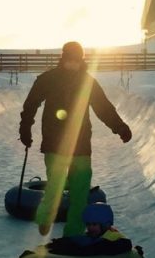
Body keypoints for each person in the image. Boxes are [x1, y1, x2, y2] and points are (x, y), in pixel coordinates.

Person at [18, 41, 132, 237]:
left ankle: (73, 234)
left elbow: (103, 108)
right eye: (69, 59)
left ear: (82, 59)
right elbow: (31, 104)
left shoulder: (88, 82)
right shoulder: (48, 79)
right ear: (63, 58)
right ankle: (45, 218)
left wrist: (120, 127)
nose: (73, 63)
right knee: (55, 186)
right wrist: (25, 128)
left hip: (81, 145)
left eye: (76, 60)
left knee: (79, 194)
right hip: (55, 144)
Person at [47, 202, 132, 256]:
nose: (90, 227)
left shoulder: (114, 237)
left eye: (94, 224)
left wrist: (70, 251)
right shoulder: (93, 236)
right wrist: (61, 242)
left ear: (105, 225)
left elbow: (126, 244)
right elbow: (80, 240)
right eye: (88, 224)